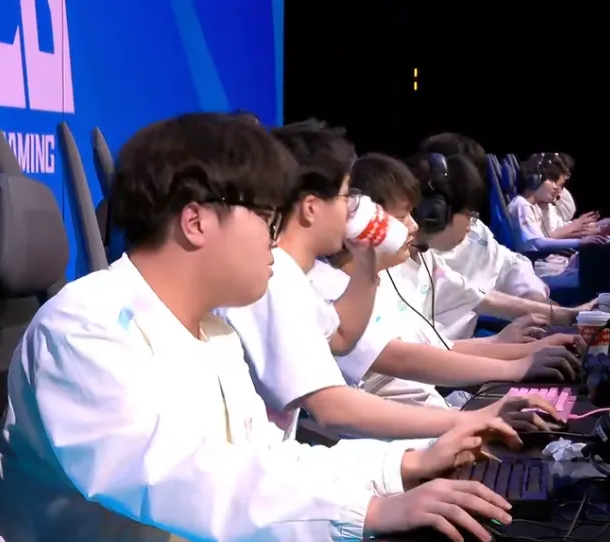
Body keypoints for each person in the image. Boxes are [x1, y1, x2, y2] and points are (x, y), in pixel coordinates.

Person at [0, 113, 518, 542]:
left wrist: (405, 464)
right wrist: (372, 511)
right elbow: (184, 480)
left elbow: (266, 460)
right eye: (267, 219)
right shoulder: (84, 327)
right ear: (196, 221)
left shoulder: (213, 333)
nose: (274, 240)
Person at [219, 119, 561, 442]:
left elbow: (341, 335)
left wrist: (367, 260)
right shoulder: (276, 277)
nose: (353, 209)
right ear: (311, 207)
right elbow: (334, 407)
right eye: (346, 196)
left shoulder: (299, 276)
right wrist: (478, 412)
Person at [309, 153, 582, 415]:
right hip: (406, 433)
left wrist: (527, 350)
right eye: (403, 216)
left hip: (432, 417)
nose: (414, 225)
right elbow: (406, 359)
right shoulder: (331, 289)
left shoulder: (387, 276)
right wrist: (518, 367)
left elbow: (434, 347)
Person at [419, 133, 550, 303]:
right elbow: (465, 296)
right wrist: (532, 308)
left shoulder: (475, 226)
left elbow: (510, 263)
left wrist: (531, 292)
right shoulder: (417, 243)